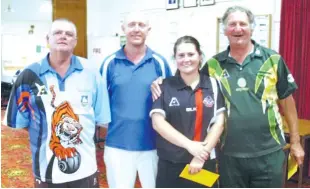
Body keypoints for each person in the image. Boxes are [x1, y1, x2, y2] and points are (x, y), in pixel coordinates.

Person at [151, 6, 305, 188]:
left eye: (243, 24)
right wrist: (162, 81)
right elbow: (189, 77)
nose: (237, 29)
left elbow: (288, 101)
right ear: (225, 30)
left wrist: (295, 142)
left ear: (252, 28)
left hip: (269, 153)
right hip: (229, 154)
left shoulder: (272, 59)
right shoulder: (214, 65)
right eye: (232, 24)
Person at [3, 18, 111, 188]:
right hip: (46, 172)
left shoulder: (92, 73)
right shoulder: (29, 75)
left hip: (86, 170)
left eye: (69, 34)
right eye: (57, 32)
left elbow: (100, 117)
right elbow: (23, 122)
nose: (63, 36)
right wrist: (49, 127)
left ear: (75, 41)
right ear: (48, 39)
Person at [99, 11, 172, 188]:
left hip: (153, 145)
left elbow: (170, 103)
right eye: (131, 25)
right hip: (118, 145)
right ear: (123, 29)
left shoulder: (159, 62)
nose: (136, 29)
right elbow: (101, 105)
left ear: (148, 29)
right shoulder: (110, 63)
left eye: (141, 25)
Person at [150, 36, 225, 188]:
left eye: (191, 54)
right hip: (170, 163)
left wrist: (200, 156)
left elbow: (219, 123)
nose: (186, 59)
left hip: (203, 162)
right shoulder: (164, 85)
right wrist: (190, 146)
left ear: (200, 56)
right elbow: (158, 123)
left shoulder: (213, 84)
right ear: (175, 58)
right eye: (181, 55)